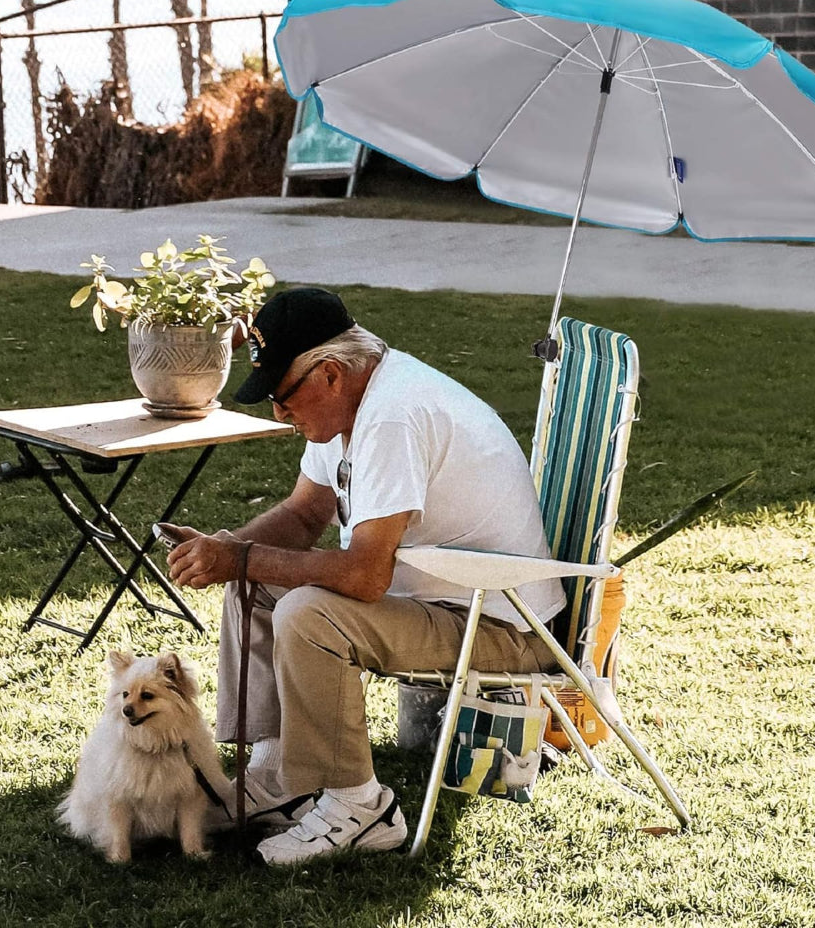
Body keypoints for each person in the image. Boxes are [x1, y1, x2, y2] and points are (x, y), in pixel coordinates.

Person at [166, 287, 564, 866]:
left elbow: (364, 576)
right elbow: (304, 514)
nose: (279, 412)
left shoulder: (393, 417)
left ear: (329, 374)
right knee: (257, 580)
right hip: (444, 598)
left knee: (307, 614)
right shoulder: (358, 403)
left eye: (283, 396)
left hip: (504, 625)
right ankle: (279, 773)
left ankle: (361, 807)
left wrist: (241, 558)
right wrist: (228, 549)